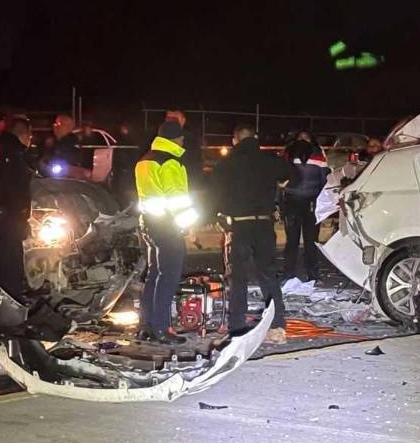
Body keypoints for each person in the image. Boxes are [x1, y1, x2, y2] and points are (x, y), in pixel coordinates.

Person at [214, 124, 293, 343]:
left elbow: (214, 193)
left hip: (239, 225)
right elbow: (292, 175)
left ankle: (237, 328)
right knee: (268, 274)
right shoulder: (269, 160)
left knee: (238, 277)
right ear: (255, 138)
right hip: (264, 225)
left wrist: (217, 216)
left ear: (235, 140)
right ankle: (277, 326)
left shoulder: (226, 163)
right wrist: (279, 186)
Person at [135, 120, 198, 345]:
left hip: (148, 223)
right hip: (168, 226)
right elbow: (177, 199)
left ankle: (146, 326)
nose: (183, 141)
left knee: (153, 275)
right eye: (182, 137)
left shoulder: (145, 160)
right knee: (168, 277)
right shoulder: (171, 162)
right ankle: (162, 328)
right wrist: (188, 225)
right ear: (177, 139)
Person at [0, 115, 35, 311]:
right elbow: (15, 191)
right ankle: (10, 312)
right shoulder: (12, 156)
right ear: (23, 134)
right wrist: (21, 219)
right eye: (30, 136)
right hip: (6, 220)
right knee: (11, 268)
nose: (31, 140)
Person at [282, 131, 328, 283]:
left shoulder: (288, 154)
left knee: (292, 240)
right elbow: (324, 179)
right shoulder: (318, 155)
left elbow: (280, 177)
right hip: (311, 203)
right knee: (311, 240)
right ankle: (312, 274)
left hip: (292, 202)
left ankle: (289, 273)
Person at [42, 113, 86, 177]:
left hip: (67, 177)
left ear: (69, 127)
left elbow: (75, 160)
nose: (56, 126)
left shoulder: (73, 141)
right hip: (49, 175)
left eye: (60, 124)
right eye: (55, 123)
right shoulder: (49, 141)